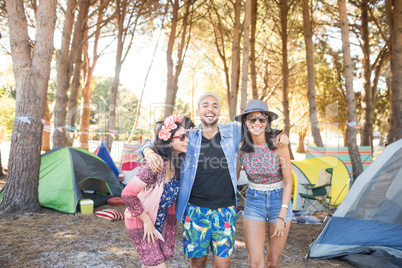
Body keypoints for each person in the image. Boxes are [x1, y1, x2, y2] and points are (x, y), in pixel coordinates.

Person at [140, 92, 289, 268]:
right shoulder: (188, 136)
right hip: (195, 211)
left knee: (222, 264)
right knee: (198, 263)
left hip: (225, 210)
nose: (210, 109)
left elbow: (257, 128)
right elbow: (155, 141)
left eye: (215, 106)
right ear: (197, 111)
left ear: (219, 112)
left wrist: (281, 134)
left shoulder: (233, 133)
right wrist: (148, 152)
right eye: (205, 105)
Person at [121, 115, 188, 268]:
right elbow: (127, 194)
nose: (187, 140)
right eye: (182, 137)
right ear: (169, 141)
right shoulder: (155, 165)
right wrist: (147, 221)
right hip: (142, 222)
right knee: (158, 265)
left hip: (160, 221)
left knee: (150, 263)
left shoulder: (177, 165)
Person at [235, 100, 293, 268]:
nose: (257, 123)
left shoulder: (278, 144)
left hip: (279, 200)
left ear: (267, 122)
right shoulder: (242, 147)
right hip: (254, 200)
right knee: (254, 262)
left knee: (272, 262)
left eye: (262, 119)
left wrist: (282, 215)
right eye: (252, 119)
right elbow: (234, 177)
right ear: (245, 122)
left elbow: (288, 182)